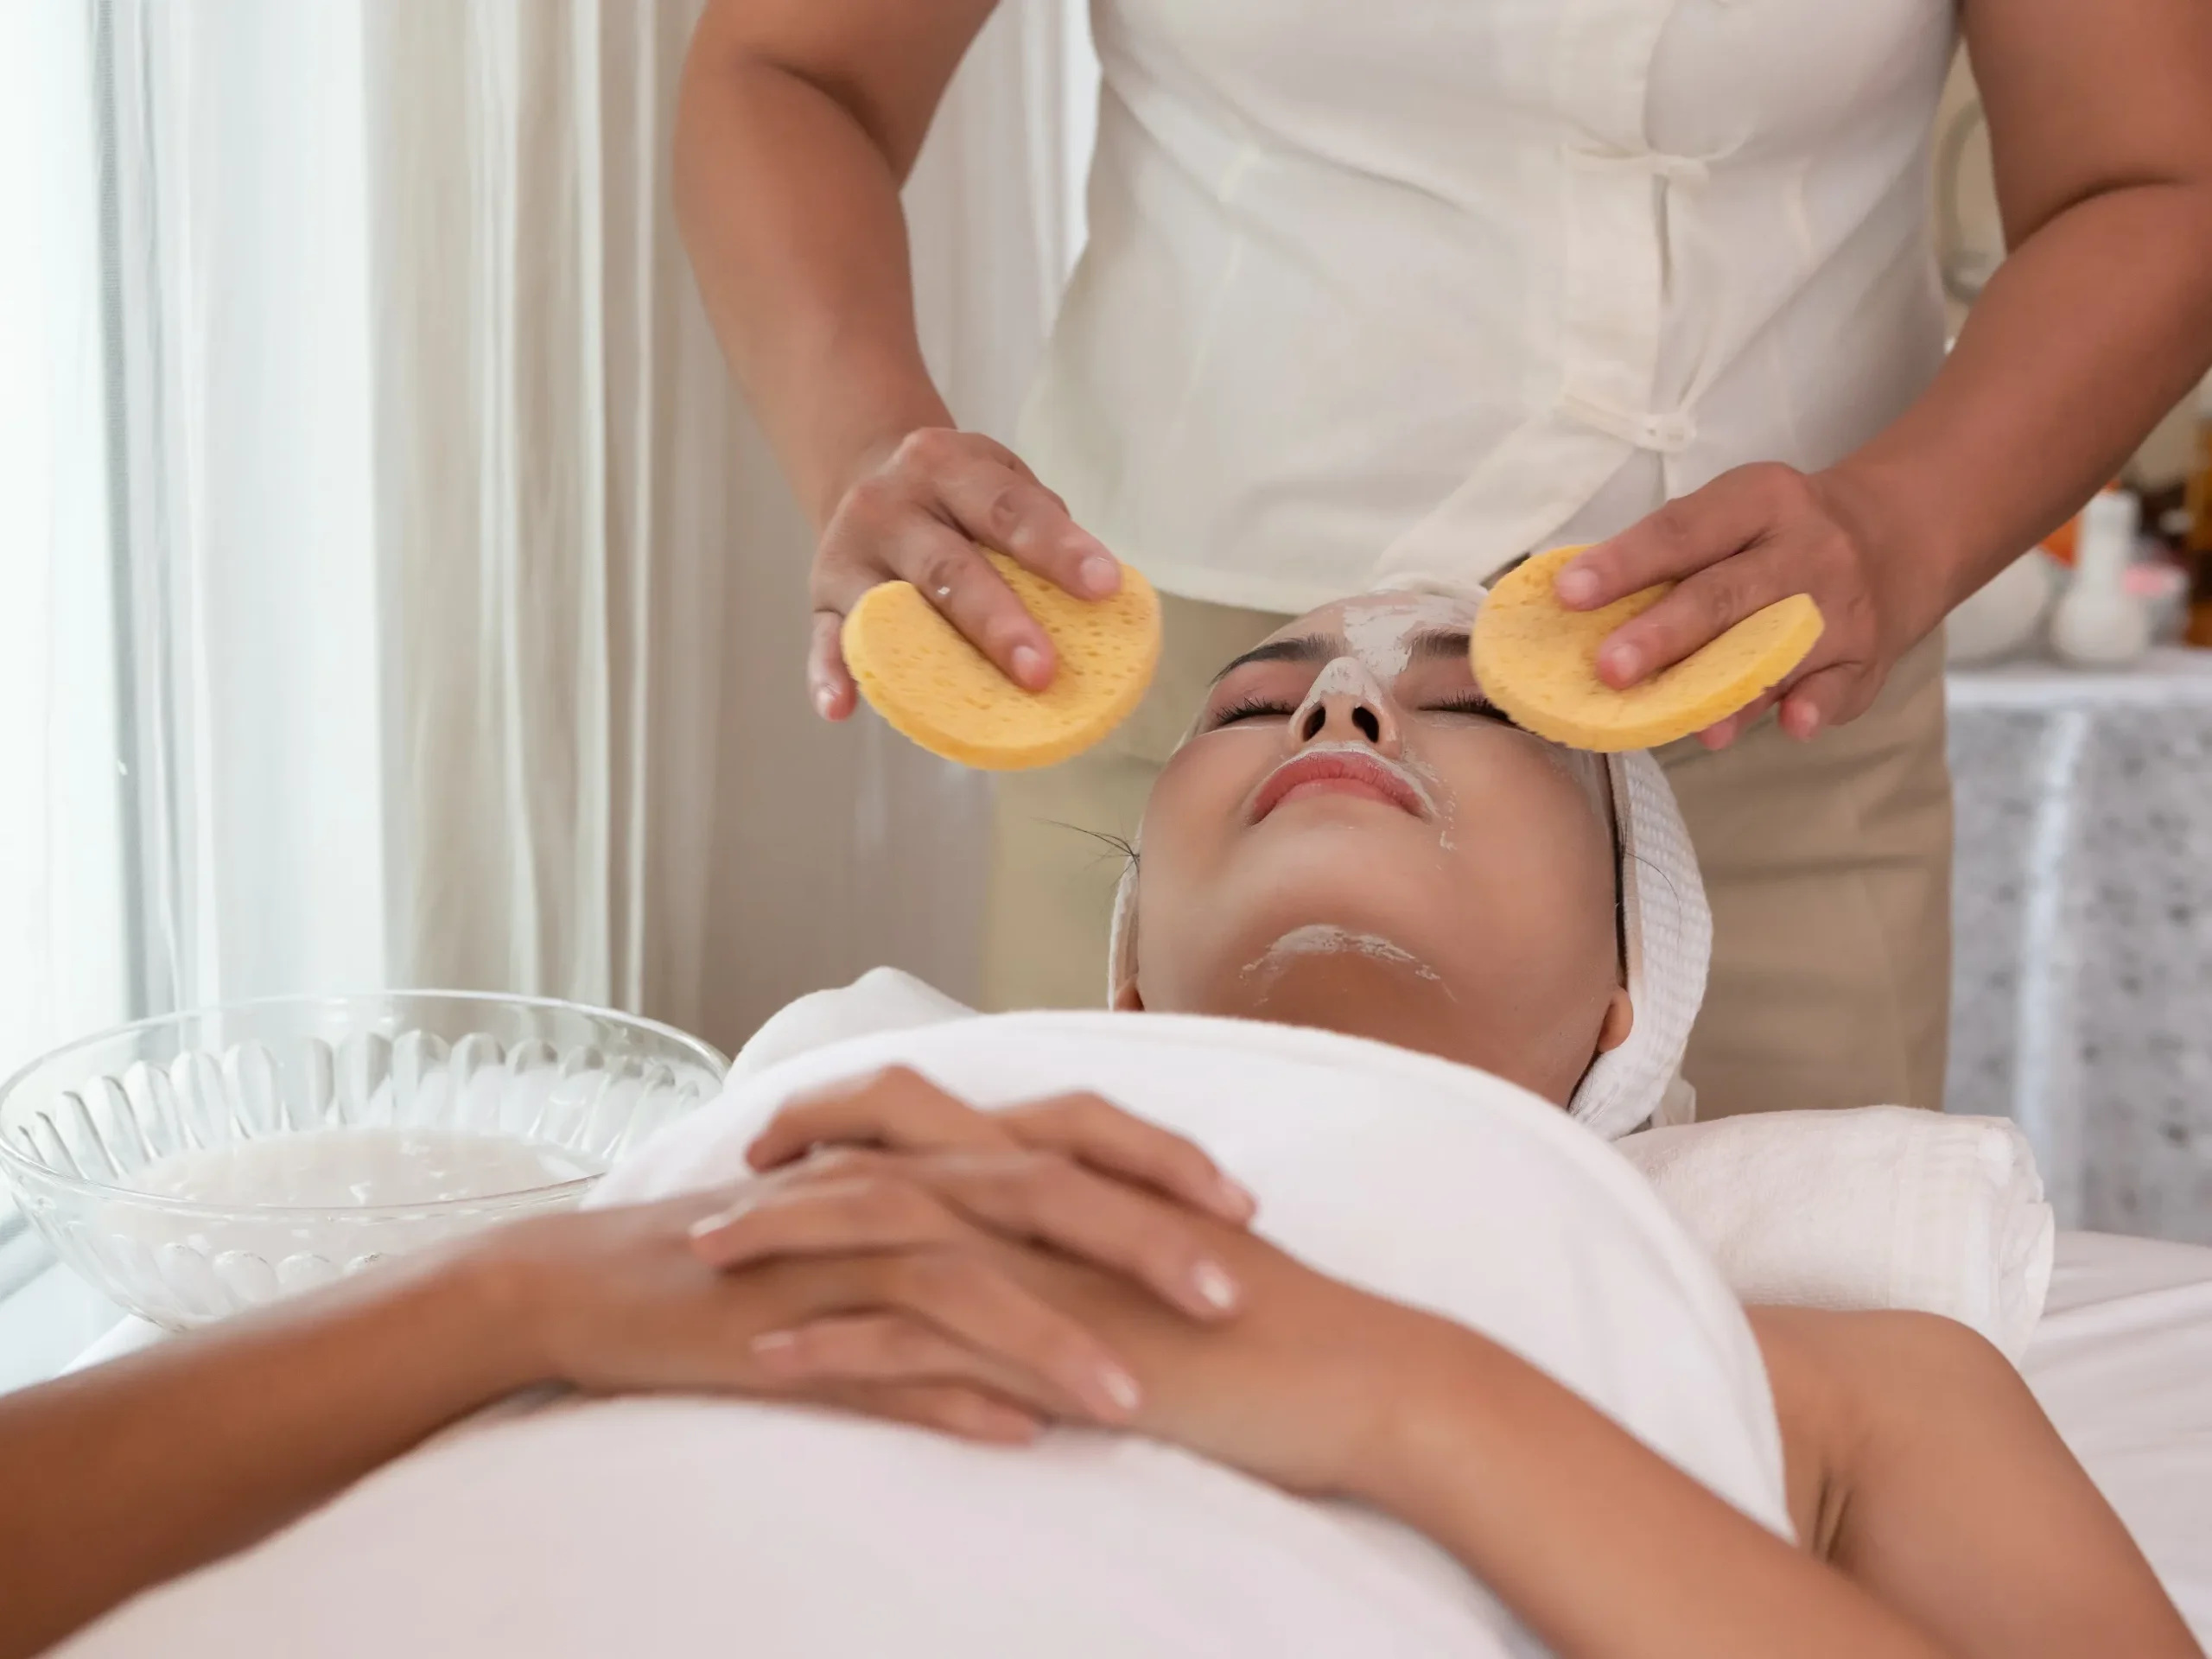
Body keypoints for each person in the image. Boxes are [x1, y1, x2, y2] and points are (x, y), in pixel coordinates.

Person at [2, 592, 2196, 1659]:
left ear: (1628, 1009)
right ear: (1123, 980)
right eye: (1259, 698)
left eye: (1463, 706)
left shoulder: (1833, 1377)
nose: (1340, 698)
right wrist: (523, 1294)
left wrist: (1409, 1404)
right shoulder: (796, 1139)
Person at [672, 0, 2212, 1118]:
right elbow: (790, 64)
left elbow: (2152, 176)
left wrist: (1905, 519)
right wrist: (869, 445)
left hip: (1764, 718)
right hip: (1199, 734)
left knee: (1757, 1452)